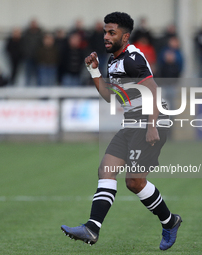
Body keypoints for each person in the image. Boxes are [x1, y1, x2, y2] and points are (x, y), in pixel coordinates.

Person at [61, 12, 182, 251]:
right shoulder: (113, 61)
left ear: (125, 37)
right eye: (105, 31)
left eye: (111, 32)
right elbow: (108, 96)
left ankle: (170, 222)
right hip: (131, 123)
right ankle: (92, 229)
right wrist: (94, 71)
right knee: (106, 170)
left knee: (134, 182)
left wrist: (152, 125)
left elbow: (154, 91)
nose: (105, 36)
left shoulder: (133, 58)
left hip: (150, 120)